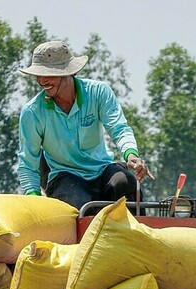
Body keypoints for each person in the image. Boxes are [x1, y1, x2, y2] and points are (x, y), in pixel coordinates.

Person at [17, 40, 154, 211]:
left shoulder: (98, 92)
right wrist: (33, 200)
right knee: (78, 202)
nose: (42, 81)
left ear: (67, 73)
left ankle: (136, 235)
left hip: (102, 169)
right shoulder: (33, 112)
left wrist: (131, 154)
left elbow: (119, 128)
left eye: (48, 74)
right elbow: (27, 164)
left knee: (125, 183)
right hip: (64, 176)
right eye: (39, 75)